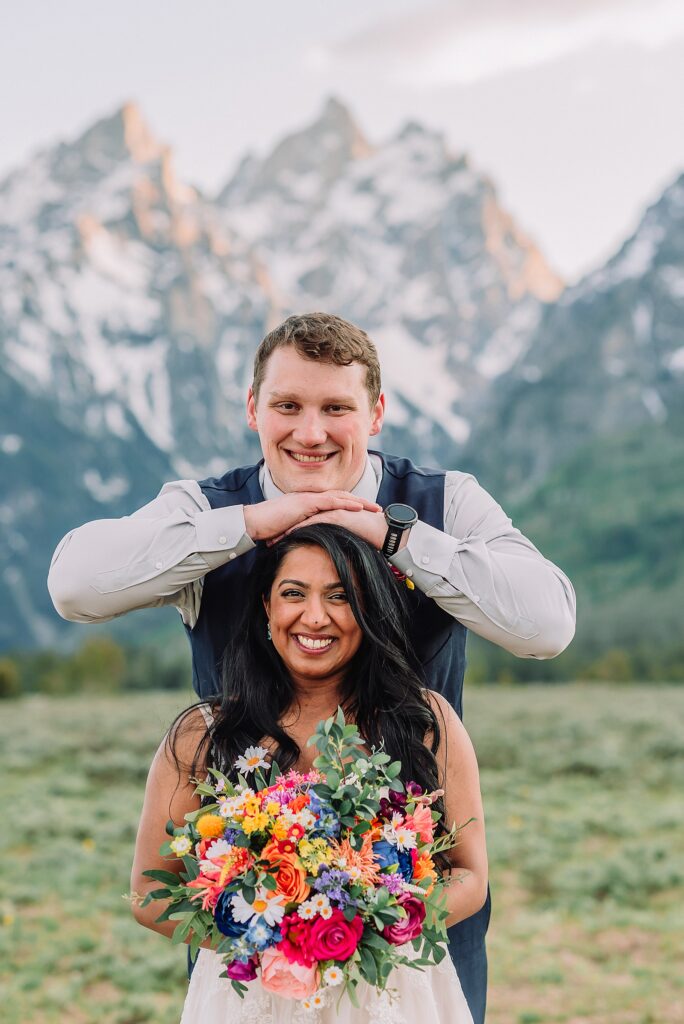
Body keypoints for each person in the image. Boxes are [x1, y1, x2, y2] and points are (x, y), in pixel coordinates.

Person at [49, 311, 576, 1023]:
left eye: (336, 408)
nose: (310, 432)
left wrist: (397, 538)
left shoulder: (445, 503)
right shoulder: (206, 509)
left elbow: (548, 625)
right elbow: (75, 586)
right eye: (288, 405)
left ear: (376, 413)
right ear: (253, 408)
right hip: (250, 943)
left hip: (417, 934)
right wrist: (247, 526)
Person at [130, 525, 488, 1023]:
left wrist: (365, 927)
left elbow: (470, 876)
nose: (315, 617)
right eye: (293, 593)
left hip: (391, 994)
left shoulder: (426, 722)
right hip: (255, 997)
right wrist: (273, 938)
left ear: (369, 610)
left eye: (340, 597)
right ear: (266, 606)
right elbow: (148, 897)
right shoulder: (204, 733)